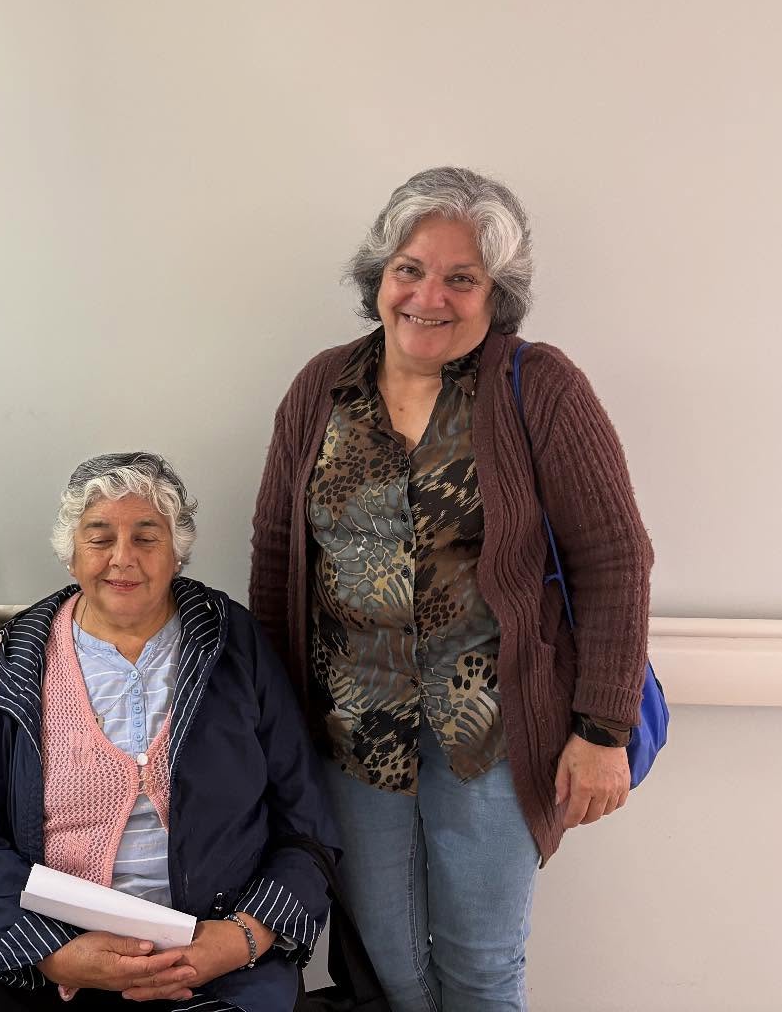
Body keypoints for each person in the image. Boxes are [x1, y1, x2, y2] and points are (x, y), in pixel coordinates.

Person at [249, 168, 654, 1012]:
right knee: (388, 967)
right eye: (410, 269)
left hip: (495, 735)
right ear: (380, 275)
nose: (428, 296)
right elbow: (280, 555)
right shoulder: (322, 387)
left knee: (480, 968)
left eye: (461, 278)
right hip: (352, 734)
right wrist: (274, 725)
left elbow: (615, 561)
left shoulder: (538, 387)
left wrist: (602, 729)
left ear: (495, 295)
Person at [0, 452, 339, 1012]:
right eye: (99, 537)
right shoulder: (17, 660)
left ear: (177, 550)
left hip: (223, 962)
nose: (122, 558)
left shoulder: (234, 643)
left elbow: (306, 822)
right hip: (61, 964)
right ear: (70, 552)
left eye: (146, 537)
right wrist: (51, 953)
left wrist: (243, 936)